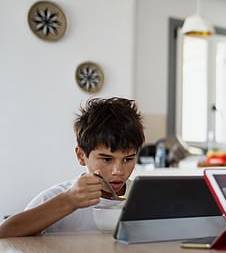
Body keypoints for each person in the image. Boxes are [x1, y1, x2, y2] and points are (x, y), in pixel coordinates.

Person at [0, 97, 144, 237]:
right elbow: (4, 232)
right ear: (81, 156)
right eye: (106, 159)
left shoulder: (143, 197)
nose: (118, 171)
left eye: (128, 159)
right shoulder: (58, 197)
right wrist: (69, 201)